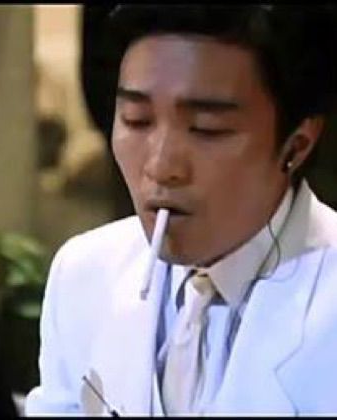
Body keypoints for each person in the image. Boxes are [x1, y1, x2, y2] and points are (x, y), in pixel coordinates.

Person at [25, 5, 337, 416]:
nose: (160, 166)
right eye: (136, 120)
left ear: (296, 145)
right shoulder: (84, 275)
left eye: (207, 129)